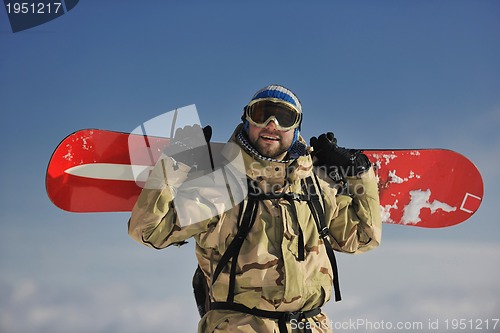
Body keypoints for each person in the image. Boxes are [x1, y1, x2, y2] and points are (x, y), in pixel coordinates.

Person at [128, 84, 382, 333]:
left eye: (284, 117)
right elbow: (149, 232)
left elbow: (362, 239)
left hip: (311, 326)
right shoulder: (217, 186)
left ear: (296, 127)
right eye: (261, 114)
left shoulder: (316, 186)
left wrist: (360, 174)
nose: (272, 124)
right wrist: (173, 165)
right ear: (247, 121)